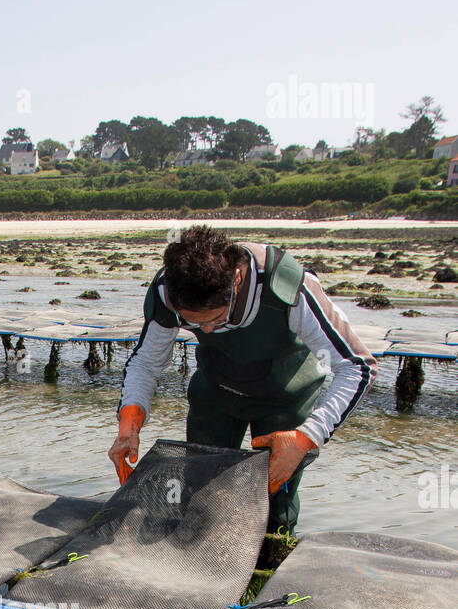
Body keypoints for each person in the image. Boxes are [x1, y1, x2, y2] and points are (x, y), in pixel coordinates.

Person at [109, 225, 377, 534]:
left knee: (275, 507)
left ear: (236, 279)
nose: (205, 331)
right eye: (191, 323)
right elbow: (145, 362)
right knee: (198, 493)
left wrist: (309, 435)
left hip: (285, 398)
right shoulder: (167, 290)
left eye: (215, 320)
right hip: (216, 391)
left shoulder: (287, 287)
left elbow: (357, 366)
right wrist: (131, 416)